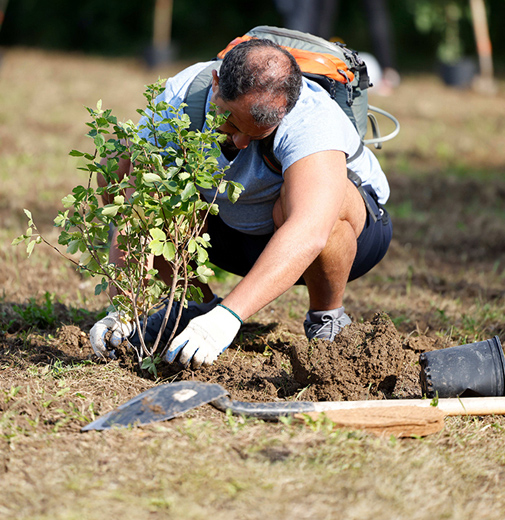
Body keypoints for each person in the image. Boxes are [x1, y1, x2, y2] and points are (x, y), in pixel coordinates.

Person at [89, 39, 392, 368]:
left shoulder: (312, 119)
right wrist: (123, 306)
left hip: (334, 242)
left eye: (258, 133)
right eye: (232, 123)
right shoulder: (181, 98)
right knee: (122, 156)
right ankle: (193, 305)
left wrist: (227, 319)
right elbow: (139, 209)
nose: (240, 141)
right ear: (217, 84)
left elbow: (310, 230)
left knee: (329, 201)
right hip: (228, 230)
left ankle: (326, 317)